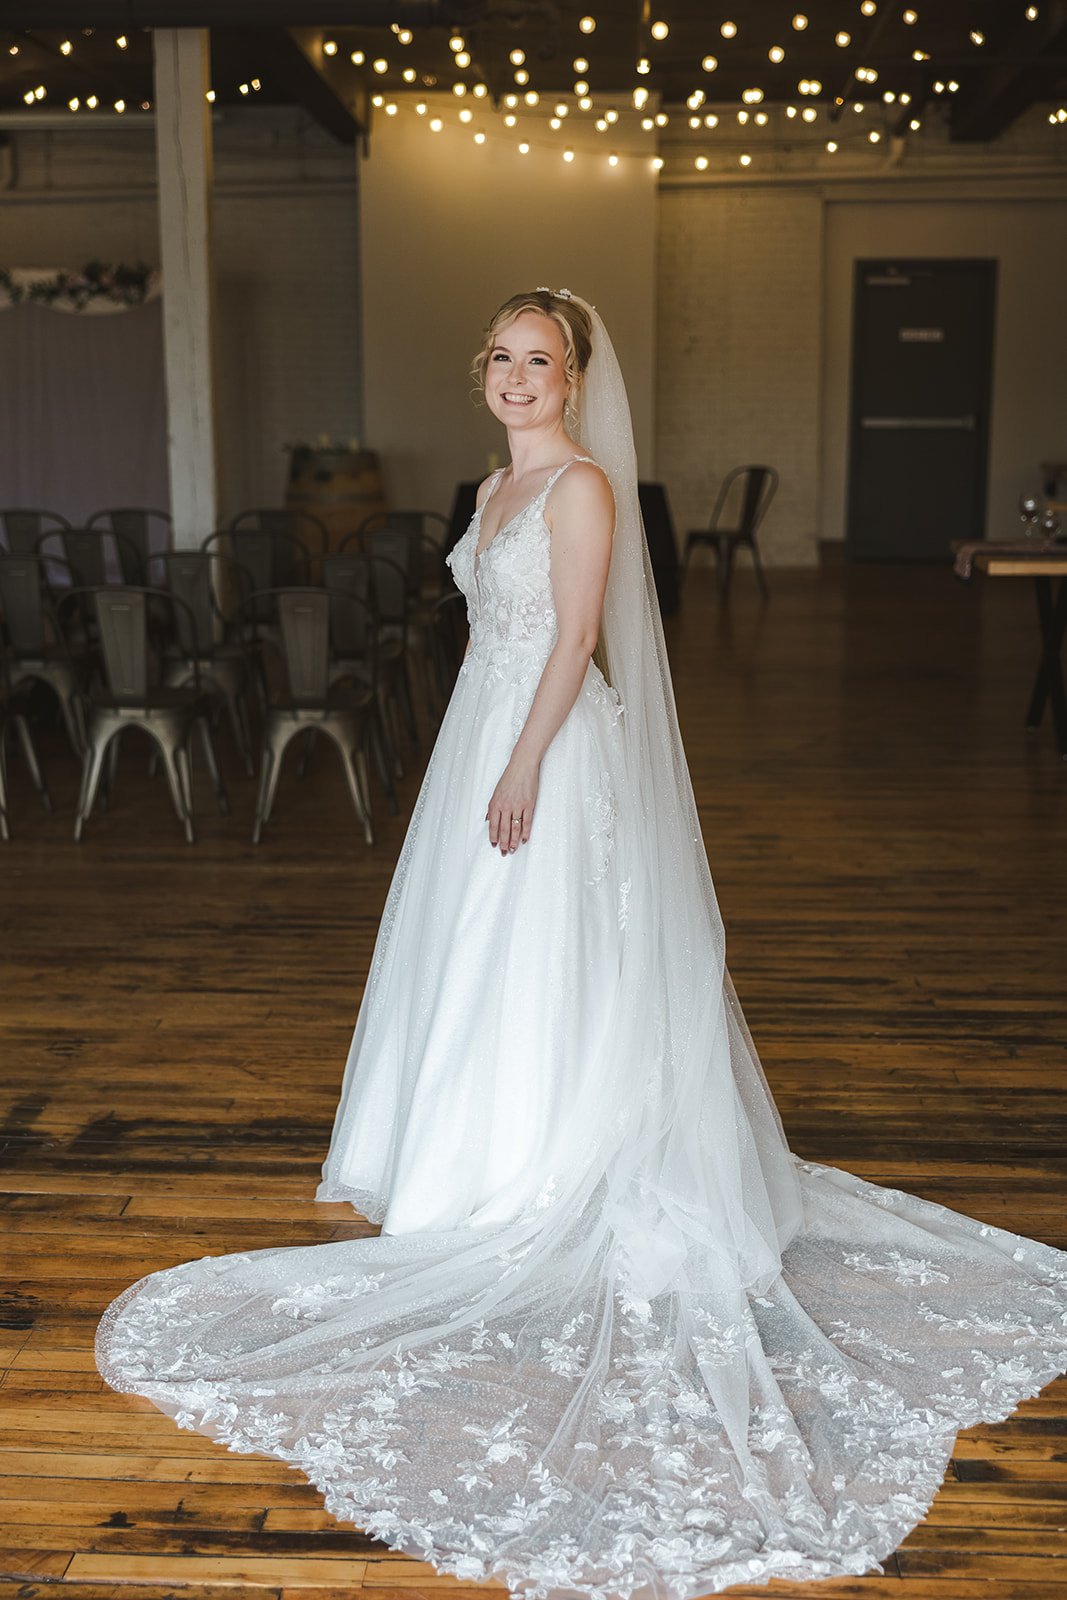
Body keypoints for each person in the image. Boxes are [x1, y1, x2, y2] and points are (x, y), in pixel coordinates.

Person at [96, 289, 1067, 1600]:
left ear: (573, 376)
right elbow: (495, 633)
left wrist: (524, 765)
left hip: (545, 747)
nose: (513, 376)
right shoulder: (492, 489)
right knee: (470, 959)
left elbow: (574, 642)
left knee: (549, 959)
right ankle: (460, 1163)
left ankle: (542, 1163)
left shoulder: (583, 492)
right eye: (498, 356)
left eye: (537, 360)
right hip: (480, 739)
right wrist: (481, 751)